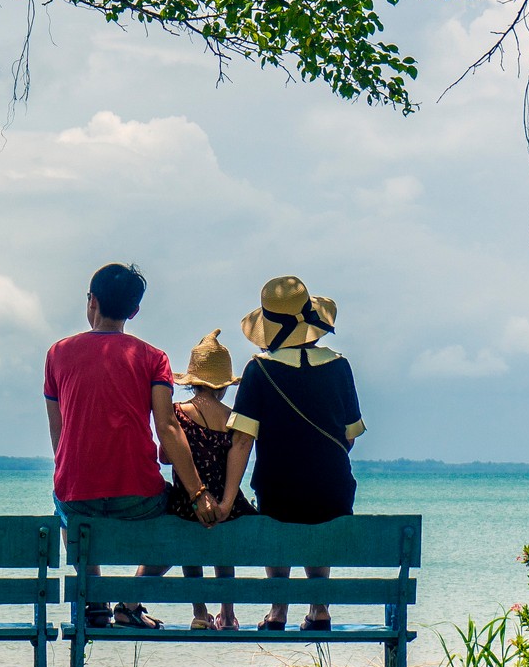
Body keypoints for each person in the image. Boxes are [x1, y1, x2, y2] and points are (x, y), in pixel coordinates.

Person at [45, 262, 218, 629]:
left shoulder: (57, 354)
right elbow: (168, 427)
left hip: (77, 494)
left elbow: (58, 437)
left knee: (68, 509)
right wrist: (198, 492)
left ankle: (94, 601)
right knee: (183, 516)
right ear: (134, 311)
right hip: (139, 495)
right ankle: (130, 600)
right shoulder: (154, 359)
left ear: (91, 300)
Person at [216, 276, 364, 632]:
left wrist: (227, 499)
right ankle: (319, 608)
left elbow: (241, 443)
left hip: (278, 491)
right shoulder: (339, 366)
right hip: (333, 492)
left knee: (276, 510)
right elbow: (350, 435)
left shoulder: (259, 370)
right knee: (322, 514)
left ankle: (278, 610)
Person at [165, 330, 257, 631]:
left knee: (187, 542)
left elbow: (166, 457)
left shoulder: (178, 414)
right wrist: (225, 502)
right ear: (223, 386)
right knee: (224, 547)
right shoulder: (234, 418)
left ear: (192, 380)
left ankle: (200, 612)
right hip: (225, 505)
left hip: (187, 502)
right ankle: (228, 614)